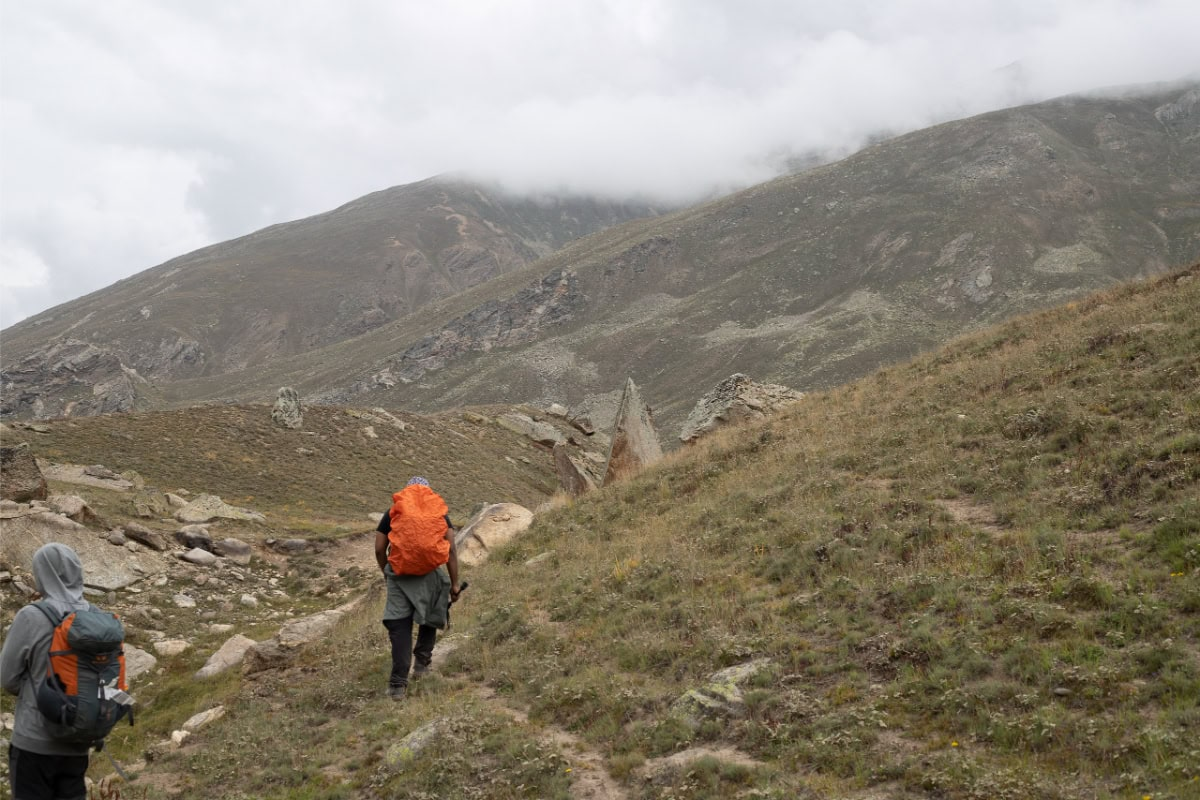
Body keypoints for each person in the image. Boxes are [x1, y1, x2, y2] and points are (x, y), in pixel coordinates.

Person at [1, 543, 93, 800]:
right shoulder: (95, 617)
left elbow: (7, 678)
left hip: (34, 740)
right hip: (77, 742)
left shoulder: (31, 616)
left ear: (42, 573)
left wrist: (39, 691)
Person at [374, 476, 461, 700]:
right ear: (428, 492)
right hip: (429, 574)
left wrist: (387, 571)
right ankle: (421, 665)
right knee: (430, 616)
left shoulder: (394, 511)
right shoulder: (438, 512)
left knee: (399, 625)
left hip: (399, 574)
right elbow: (451, 550)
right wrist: (454, 584)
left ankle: (397, 685)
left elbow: (379, 548)